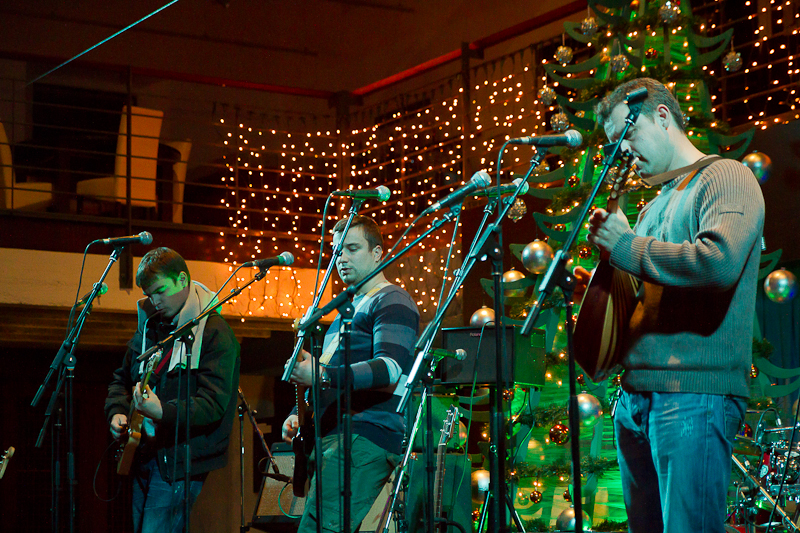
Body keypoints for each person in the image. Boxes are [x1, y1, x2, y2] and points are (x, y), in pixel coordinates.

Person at [576, 77, 765, 533]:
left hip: (692, 392)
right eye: (613, 144)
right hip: (636, 398)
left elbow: (716, 264)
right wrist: (604, 292)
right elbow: (653, 297)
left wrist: (625, 247)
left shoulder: (727, 176)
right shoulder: (651, 208)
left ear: (662, 117)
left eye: (627, 134)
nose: (622, 152)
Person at [282, 215, 419, 533]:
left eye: (352, 248)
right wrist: (298, 412)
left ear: (378, 253)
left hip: (362, 438)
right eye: (336, 251)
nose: (341, 258)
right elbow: (327, 375)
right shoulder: (344, 312)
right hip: (337, 440)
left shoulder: (392, 299)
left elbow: (390, 368)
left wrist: (323, 375)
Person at [105, 247, 240, 533]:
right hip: (143, 453)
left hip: (179, 461)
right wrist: (117, 410)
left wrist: (162, 411)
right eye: (149, 293)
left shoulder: (216, 332)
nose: (154, 301)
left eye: (161, 290)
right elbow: (121, 378)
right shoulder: (151, 327)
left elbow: (214, 403)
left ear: (182, 279)